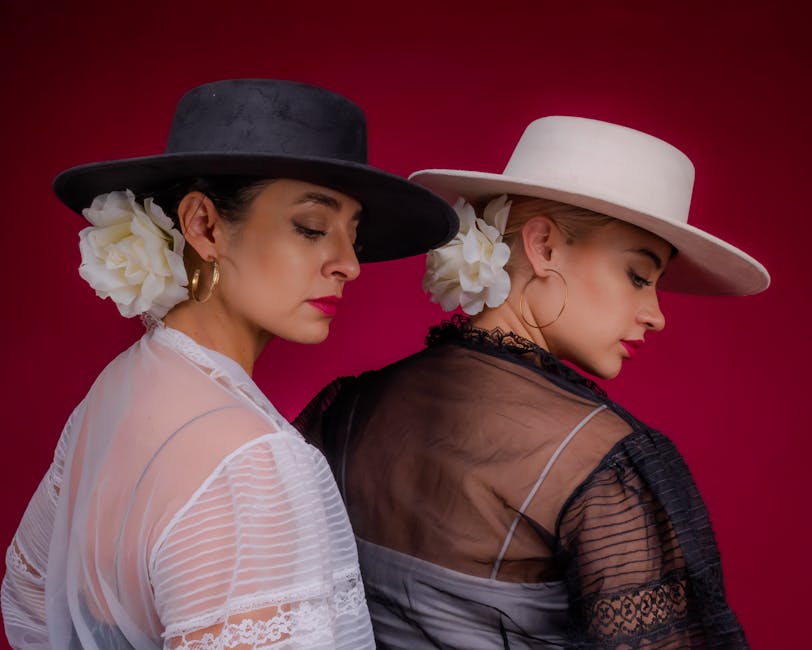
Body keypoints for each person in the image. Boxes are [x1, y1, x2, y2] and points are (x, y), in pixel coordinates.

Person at [0, 79, 457, 649]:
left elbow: (33, 606)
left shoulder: (117, 388)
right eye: (313, 227)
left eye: (354, 236)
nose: (348, 265)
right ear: (204, 226)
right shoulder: (254, 465)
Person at [294, 116, 769, 648]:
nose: (656, 314)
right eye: (638, 276)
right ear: (543, 246)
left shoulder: (350, 406)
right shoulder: (607, 461)